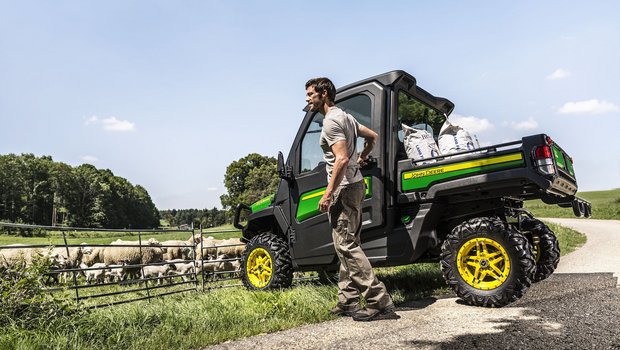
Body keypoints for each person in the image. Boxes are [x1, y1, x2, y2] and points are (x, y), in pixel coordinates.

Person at [305, 77, 399, 322]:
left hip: (344, 188)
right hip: (356, 185)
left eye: (310, 94)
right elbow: (373, 136)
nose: (307, 99)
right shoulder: (346, 117)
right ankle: (347, 300)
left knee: (346, 245)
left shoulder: (331, 122)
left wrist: (328, 194)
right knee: (348, 243)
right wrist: (363, 156)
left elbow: (342, 159)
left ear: (324, 93)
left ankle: (378, 301)